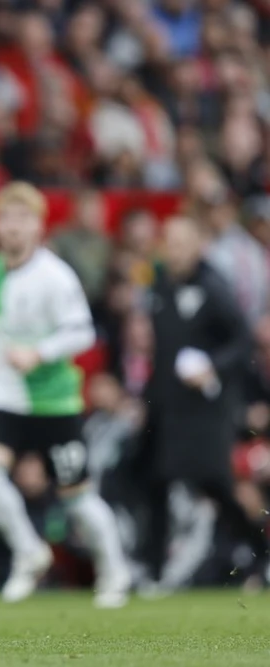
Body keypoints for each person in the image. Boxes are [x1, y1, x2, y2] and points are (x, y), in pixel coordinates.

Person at [0, 182, 131, 609]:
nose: (13, 227)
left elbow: (82, 330)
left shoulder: (54, 275)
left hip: (53, 404)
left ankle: (115, 570)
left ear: (38, 226)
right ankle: (29, 551)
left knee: (78, 498)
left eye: (23, 218)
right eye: (7, 218)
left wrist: (38, 353)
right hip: (7, 399)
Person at [141, 215, 268, 592]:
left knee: (216, 485)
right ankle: (152, 571)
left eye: (182, 242)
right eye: (170, 242)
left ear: (198, 246)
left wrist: (212, 365)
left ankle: (259, 551)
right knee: (156, 483)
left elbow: (242, 340)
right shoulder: (160, 284)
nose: (174, 250)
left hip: (206, 409)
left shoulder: (214, 287)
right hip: (166, 405)